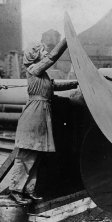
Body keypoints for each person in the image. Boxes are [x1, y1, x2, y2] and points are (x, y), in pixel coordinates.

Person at [9, 39, 78, 203]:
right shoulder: (33, 69)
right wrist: (65, 41)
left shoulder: (43, 75)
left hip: (42, 116)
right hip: (34, 116)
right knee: (26, 154)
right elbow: (52, 57)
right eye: (43, 51)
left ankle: (28, 190)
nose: (46, 53)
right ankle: (15, 189)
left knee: (36, 156)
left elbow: (57, 86)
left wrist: (77, 82)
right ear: (35, 55)